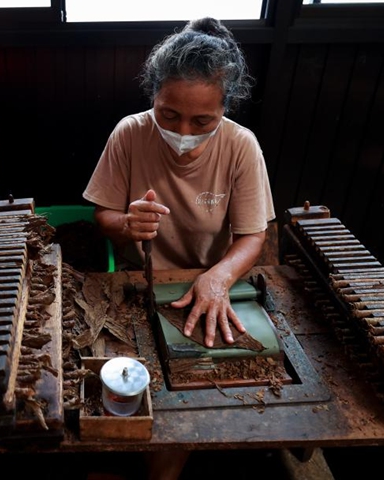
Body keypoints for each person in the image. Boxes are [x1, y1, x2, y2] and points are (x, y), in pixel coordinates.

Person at [82, 17, 275, 480]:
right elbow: (102, 216)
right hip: (137, 282)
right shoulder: (130, 133)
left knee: (205, 382)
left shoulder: (240, 146)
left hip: (209, 281)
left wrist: (219, 277)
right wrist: (127, 224)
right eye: (168, 114)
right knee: (119, 388)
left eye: (202, 120)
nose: (183, 130)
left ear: (224, 110)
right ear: (153, 96)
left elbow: (253, 237)